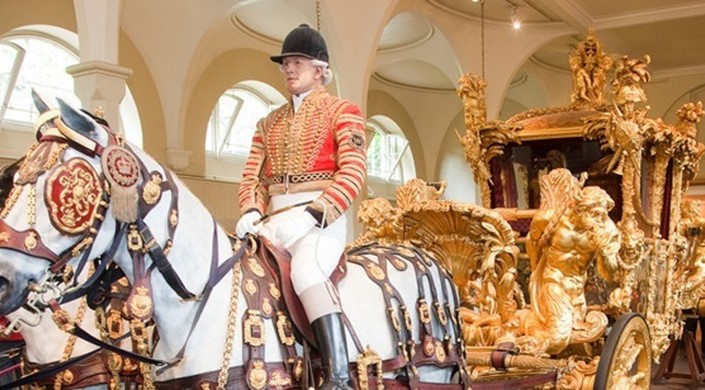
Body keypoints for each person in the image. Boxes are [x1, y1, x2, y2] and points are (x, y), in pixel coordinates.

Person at [235, 24, 366, 389]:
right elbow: (252, 177)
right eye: (285, 63)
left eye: (297, 62)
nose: (289, 69)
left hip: (320, 221)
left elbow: (353, 172)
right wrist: (250, 209)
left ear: (320, 69)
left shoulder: (343, 111)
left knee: (307, 271)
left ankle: (338, 375)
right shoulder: (268, 122)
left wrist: (314, 214)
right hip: (273, 220)